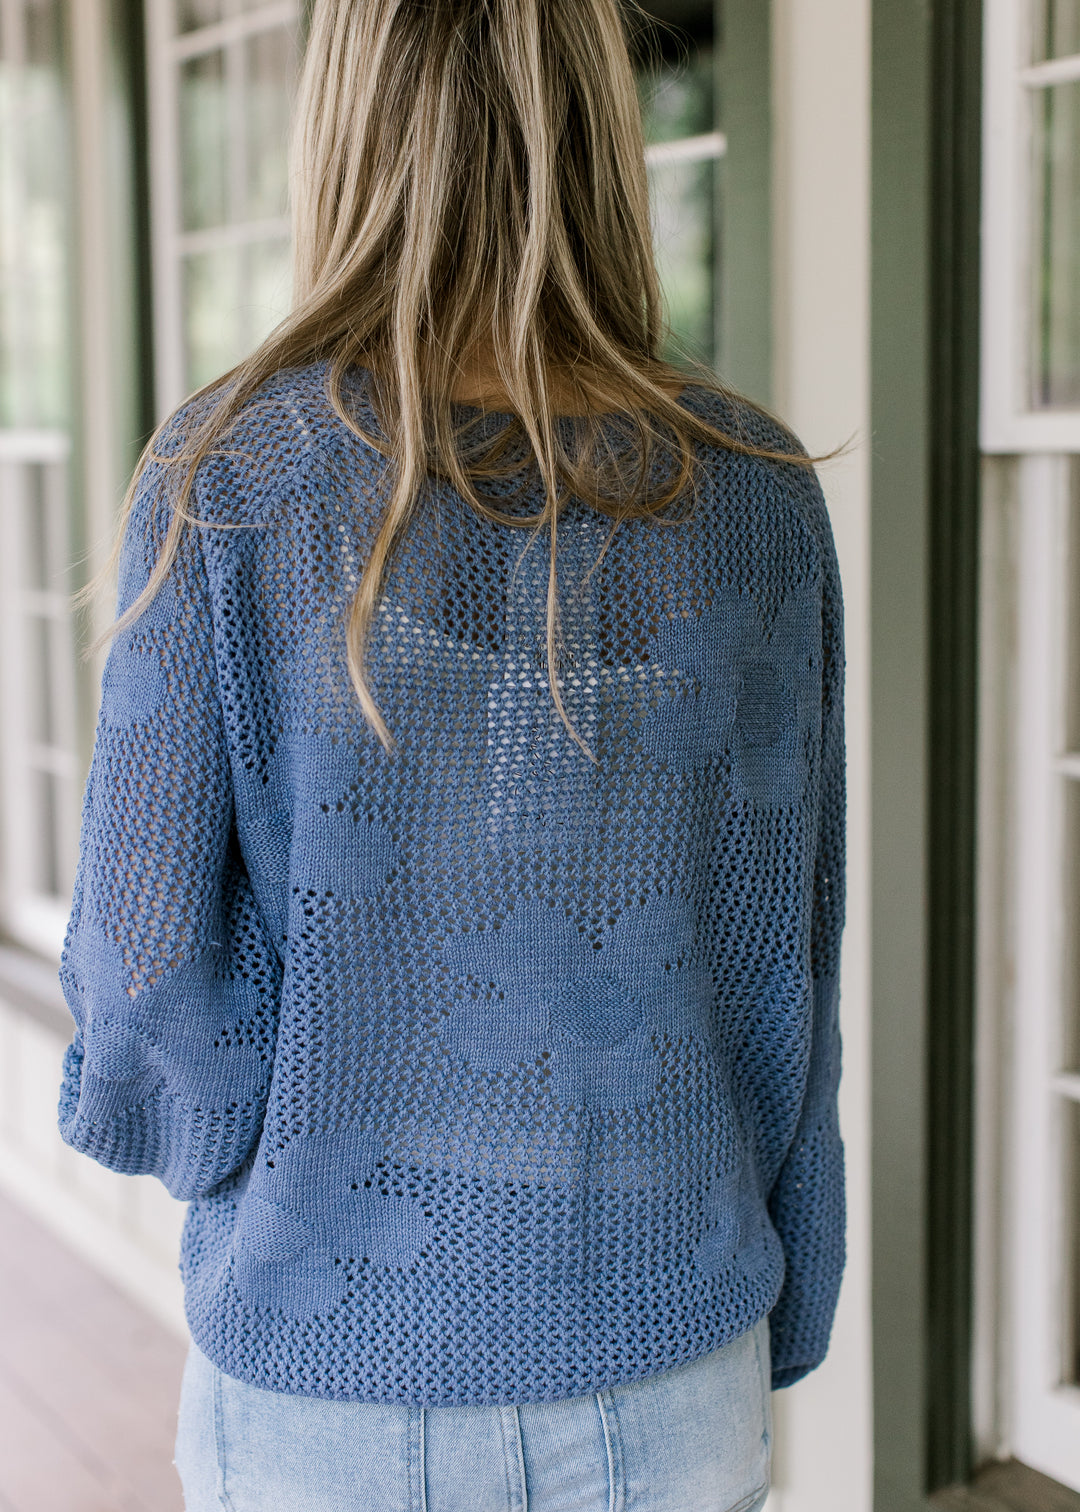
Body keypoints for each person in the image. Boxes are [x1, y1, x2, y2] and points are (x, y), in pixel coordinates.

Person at [56, 0, 847, 1507]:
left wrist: (256, 1144)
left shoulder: (235, 474)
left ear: (342, 124)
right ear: (600, 123)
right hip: (669, 1356)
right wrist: (784, 1291)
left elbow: (149, 989)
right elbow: (784, 961)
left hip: (328, 1362)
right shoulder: (752, 491)